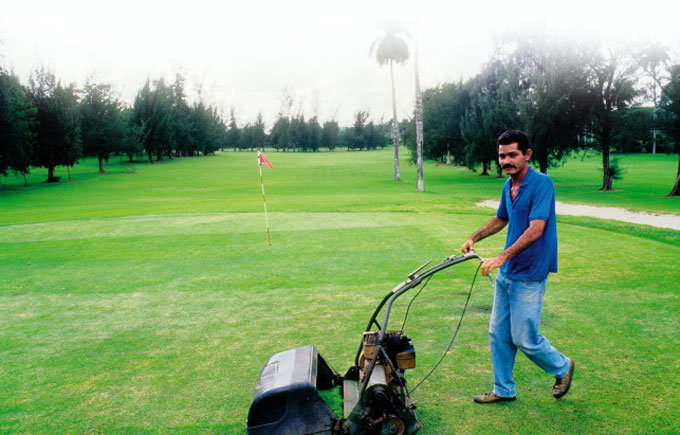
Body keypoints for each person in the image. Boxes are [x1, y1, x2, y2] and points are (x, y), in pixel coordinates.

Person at [461, 129, 574, 403]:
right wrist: (474, 237)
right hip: (508, 274)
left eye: (512, 154)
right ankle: (503, 390)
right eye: (502, 156)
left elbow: (536, 229)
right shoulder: (507, 185)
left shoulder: (541, 184)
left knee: (524, 337)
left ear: (527, 154)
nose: (506, 160)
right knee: (498, 334)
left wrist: (500, 257)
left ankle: (562, 366)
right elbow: (501, 218)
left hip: (530, 275)